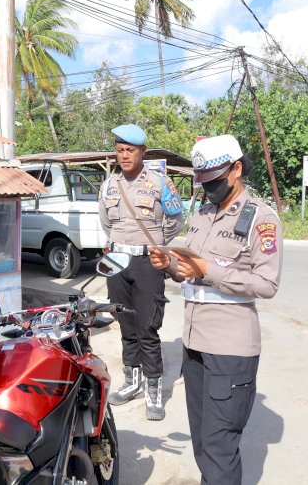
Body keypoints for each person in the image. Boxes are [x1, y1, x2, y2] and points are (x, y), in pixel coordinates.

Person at [148, 134, 283, 484]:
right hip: (195, 347)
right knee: (203, 444)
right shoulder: (204, 215)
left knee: (219, 447)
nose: (208, 190)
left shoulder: (261, 219)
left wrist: (209, 270)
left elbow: (267, 284)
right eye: (202, 183)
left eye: (215, 182)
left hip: (230, 349)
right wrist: (169, 265)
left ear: (236, 169)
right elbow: (191, 272)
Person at [98, 123, 184, 421]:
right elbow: (107, 223)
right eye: (120, 150)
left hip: (148, 262)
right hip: (117, 260)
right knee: (125, 325)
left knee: (148, 328)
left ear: (142, 152)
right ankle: (131, 383)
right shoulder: (109, 184)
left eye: (130, 150)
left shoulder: (161, 183)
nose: (124, 156)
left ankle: (154, 392)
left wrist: (156, 244)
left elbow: (175, 219)